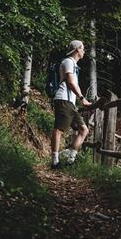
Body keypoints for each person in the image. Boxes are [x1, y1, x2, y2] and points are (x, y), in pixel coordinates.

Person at [51, 40, 92, 169]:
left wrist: (83, 101)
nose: (84, 51)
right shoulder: (68, 62)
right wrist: (82, 98)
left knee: (83, 130)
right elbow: (70, 82)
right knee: (59, 129)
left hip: (70, 102)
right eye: (83, 48)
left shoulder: (73, 64)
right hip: (63, 99)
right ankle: (55, 162)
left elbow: (74, 84)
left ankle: (70, 160)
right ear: (77, 50)